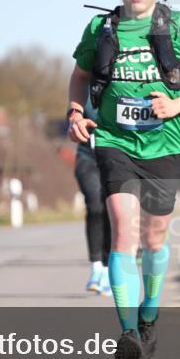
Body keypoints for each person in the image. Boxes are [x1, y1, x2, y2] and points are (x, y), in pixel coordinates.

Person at [68, 0, 180, 359]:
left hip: (165, 146)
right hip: (116, 143)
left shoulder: (177, 27)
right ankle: (129, 333)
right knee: (124, 233)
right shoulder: (100, 29)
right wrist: (76, 111)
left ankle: (150, 311)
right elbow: (79, 77)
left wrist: (177, 105)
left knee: (155, 238)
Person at [73, 97, 112, 297]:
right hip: (87, 159)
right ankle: (96, 268)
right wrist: (74, 121)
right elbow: (73, 114)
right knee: (95, 206)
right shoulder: (86, 89)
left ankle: (107, 270)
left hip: (116, 159)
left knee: (111, 211)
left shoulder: (124, 82)